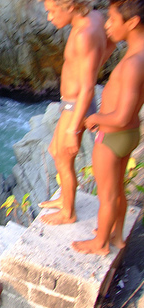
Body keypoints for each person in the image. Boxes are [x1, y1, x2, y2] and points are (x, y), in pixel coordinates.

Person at [72, 0, 144, 255]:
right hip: (128, 135)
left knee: (108, 194)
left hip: (114, 134)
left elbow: (122, 116)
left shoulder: (134, 62)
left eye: (113, 20)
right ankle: (116, 235)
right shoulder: (140, 53)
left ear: (133, 22)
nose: (108, 25)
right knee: (117, 191)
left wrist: (95, 119)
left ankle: (100, 243)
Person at [38, 0, 116, 225]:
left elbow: (88, 87)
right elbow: (110, 44)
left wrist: (73, 129)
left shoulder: (83, 34)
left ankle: (68, 212)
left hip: (77, 106)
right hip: (71, 103)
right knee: (55, 150)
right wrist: (95, 64)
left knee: (63, 158)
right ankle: (65, 197)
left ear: (70, 6)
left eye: (52, 11)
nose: (49, 18)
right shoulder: (95, 17)